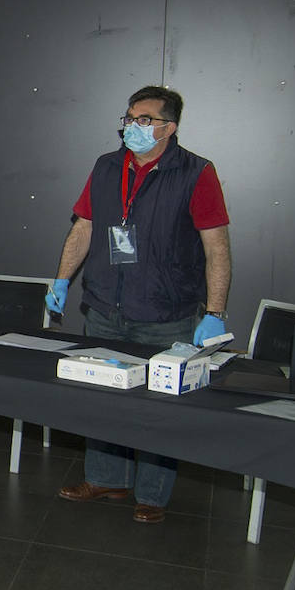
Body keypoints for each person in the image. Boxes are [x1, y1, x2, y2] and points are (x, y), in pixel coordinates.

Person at [47, 85, 232, 523]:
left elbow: (217, 248)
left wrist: (215, 312)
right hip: (105, 308)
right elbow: (84, 227)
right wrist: (61, 278)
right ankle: (107, 477)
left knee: (157, 410)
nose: (133, 126)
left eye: (145, 120)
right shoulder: (107, 167)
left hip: (166, 315)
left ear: (169, 127)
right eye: (130, 117)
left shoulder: (196, 172)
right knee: (100, 402)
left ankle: (151, 495)